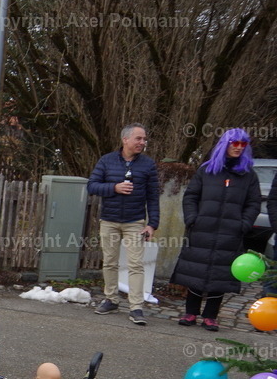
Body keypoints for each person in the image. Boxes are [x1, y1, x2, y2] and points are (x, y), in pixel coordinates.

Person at [172, 128, 261, 332]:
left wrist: (243, 224)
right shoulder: (207, 170)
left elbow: (254, 203)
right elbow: (191, 196)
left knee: (221, 273)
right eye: (234, 143)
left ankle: (211, 316)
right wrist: (192, 219)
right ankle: (191, 312)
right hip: (202, 229)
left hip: (231, 233)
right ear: (225, 145)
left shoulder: (248, 175)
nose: (238, 148)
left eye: (242, 144)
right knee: (196, 269)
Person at [87, 122, 160, 325]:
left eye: (144, 139)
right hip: (109, 221)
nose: (142, 142)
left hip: (135, 222)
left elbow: (153, 196)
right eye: (139, 138)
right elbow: (91, 186)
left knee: (136, 264)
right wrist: (114, 188)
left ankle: (136, 307)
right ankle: (111, 299)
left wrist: (152, 224)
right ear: (125, 139)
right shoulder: (106, 161)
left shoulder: (148, 165)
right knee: (110, 262)